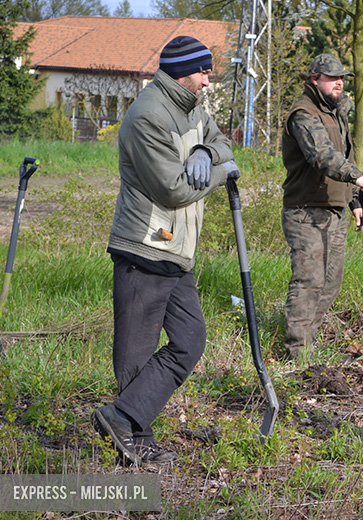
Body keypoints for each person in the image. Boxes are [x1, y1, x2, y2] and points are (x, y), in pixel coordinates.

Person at [91, 36, 240, 466]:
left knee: (190, 341)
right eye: (203, 72)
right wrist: (222, 170)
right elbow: (174, 189)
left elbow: (224, 143)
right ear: (181, 71)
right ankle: (132, 438)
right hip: (145, 247)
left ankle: (122, 418)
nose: (208, 81)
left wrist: (205, 150)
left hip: (177, 252)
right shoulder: (147, 115)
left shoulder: (191, 108)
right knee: (135, 357)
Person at [280, 54, 363, 359]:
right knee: (309, 281)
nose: (339, 83)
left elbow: (342, 154)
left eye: (342, 78)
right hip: (306, 211)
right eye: (332, 77)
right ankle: (297, 355)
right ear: (313, 79)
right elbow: (322, 156)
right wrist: (359, 177)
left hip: (334, 210)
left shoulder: (335, 113)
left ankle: (308, 343)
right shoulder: (304, 114)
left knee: (330, 283)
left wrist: (353, 201)